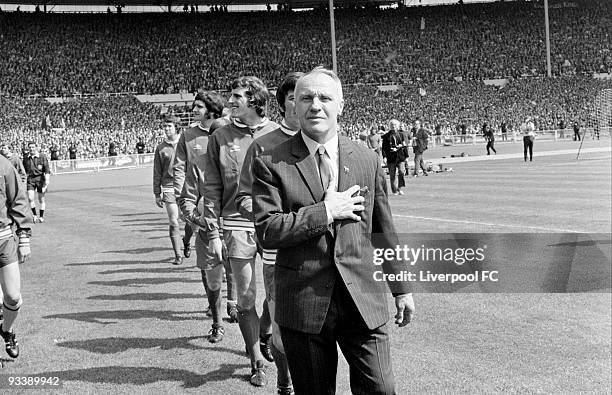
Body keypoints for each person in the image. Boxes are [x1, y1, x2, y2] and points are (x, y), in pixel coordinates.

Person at [251, 67, 414, 395]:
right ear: (293, 106)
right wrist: (325, 211)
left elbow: (382, 228)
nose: (315, 105)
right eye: (306, 98)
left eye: (324, 97)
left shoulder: (366, 157)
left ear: (340, 105)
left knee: (382, 389)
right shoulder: (270, 160)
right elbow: (267, 230)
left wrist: (401, 288)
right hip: (304, 302)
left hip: (363, 298)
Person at [201, 76, 279, 387]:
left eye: (237, 96)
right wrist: (215, 233)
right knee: (246, 299)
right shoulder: (219, 137)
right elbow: (212, 186)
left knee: (276, 297)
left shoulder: (279, 133)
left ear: (256, 101)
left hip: (274, 224)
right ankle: (256, 361)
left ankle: (265, 333)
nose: (230, 101)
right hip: (236, 225)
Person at [235, 72, 303, 395]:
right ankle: (284, 381)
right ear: (283, 104)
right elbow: (244, 196)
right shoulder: (263, 146)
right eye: (296, 96)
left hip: (317, 248)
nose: (306, 102)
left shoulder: (327, 142)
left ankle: (267, 325)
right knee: (283, 325)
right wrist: (266, 214)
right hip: (278, 251)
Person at [173, 91, 237, 342]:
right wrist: (196, 219)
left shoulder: (239, 164)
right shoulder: (197, 164)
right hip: (206, 229)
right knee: (212, 279)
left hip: (235, 229)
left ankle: (234, 307)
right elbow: (186, 197)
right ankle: (217, 321)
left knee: (236, 274)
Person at [0, 153, 33, 359]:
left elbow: (18, 200)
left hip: (2, 239)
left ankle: (7, 330)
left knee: (12, 296)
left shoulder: (3, 165)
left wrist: (24, 237)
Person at [153, 116, 184, 265]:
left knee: (191, 220)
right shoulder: (160, 148)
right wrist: (156, 193)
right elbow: (157, 171)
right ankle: (178, 255)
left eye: (169, 126)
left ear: (176, 127)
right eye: (165, 126)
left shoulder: (185, 143)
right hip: (169, 186)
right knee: (173, 220)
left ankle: (187, 242)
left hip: (186, 185)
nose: (166, 129)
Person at [22, 142, 50, 223]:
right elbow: (23, 170)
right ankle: (34, 215)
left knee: (41, 199)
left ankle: (41, 216)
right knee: (30, 198)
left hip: (40, 179)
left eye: (33, 147)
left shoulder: (42, 156)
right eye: (30, 147)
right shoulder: (26, 157)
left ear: (36, 147)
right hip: (30, 179)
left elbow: (47, 169)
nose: (31, 149)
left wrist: (47, 181)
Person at [381, 119, 407, 195]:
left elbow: (404, 146)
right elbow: (384, 148)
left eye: (395, 125)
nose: (393, 126)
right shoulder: (386, 136)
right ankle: (394, 190)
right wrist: (384, 157)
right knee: (392, 175)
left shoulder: (401, 135)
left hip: (400, 157)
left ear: (397, 126)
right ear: (390, 126)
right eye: (392, 125)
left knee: (401, 172)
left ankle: (399, 188)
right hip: (391, 158)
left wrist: (406, 156)